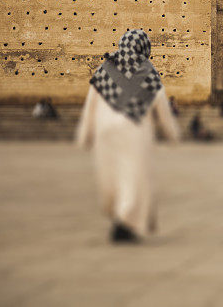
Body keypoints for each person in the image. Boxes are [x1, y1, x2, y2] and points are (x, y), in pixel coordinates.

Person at [76, 29, 180, 244]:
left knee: (110, 174)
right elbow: (162, 110)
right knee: (133, 176)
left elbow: (91, 105)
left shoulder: (105, 70)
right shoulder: (148, 74)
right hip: (134, 131)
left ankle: (116, 214)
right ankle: (124, 220)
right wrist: (172, 135)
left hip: (105, 131)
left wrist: (85, 135)